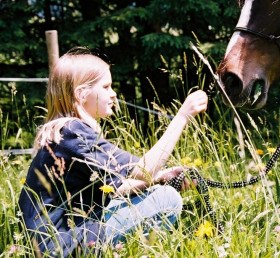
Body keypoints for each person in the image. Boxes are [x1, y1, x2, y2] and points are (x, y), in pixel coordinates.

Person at [18, 47, 208, 256]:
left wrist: (161, 177)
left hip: (54, 241)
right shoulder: (74, 132)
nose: (113, 93)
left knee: (153, 191)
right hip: (61, 246)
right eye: (106, 87)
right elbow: (144, 170)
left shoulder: (64, 132)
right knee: (166, 199)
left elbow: (113, 189)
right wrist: (182, 116)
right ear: (81, 94)